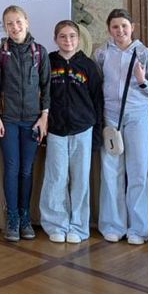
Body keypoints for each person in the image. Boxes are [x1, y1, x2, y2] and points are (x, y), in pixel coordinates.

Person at [95, 8, 148, 245]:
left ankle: (138, 228)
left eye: (124, 26)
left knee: (137, 172)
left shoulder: (145, 55)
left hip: (138, 117)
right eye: (115, 27)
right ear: (109, 29)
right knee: (111, 172)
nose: (120, 31)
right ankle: (113, 225)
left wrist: (143, 81)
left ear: (132, 27)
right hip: (110, 118)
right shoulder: (101, 54)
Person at [40, 20, 103, 245]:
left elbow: (98, 102)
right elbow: (41, 96)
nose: (68, 40)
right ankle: (56, 224)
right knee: (56, 178)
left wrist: (96, 135)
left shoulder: (88, 66)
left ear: (79, 39)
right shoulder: (48, 63)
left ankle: (78, 226)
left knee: (80, 180)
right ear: (55, 39)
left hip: (83, 130)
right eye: (63, 36)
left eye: (72, 36)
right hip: (56, 130)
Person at [0, 5, 51, 242]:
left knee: (26, 170)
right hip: (8, 120)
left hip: (32, 121)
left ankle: (25, 217)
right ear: (4, 27)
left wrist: (44, 117)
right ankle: (13, 218)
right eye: (9, 23)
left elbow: (46, 87)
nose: (14, 27)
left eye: (18, 22)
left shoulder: (40, 52)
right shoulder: (0, 52)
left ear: (26, 22)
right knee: (12, 168)